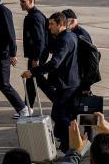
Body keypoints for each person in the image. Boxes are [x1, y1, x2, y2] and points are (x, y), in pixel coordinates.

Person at [22, 12, 80, 152]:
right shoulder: (67, 36)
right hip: (68, 82)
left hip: (67, 84)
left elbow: (55, 63)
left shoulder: (65, 40)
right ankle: (68, 145)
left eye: (52, 24)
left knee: (58, 115)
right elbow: (49, 48)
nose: (49, 27)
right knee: (63, 115)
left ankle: (76, 141)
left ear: (61, 25)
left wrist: (33, 71)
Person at [20, 0, 47, 108]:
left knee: (34, 80)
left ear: (31, 1)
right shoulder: (34, 15)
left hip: (37, 55)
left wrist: (36, 58)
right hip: (36, 54)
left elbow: (40, 39)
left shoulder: (35, 17)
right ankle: (28, 107)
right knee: (33, 80)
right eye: (20, 1)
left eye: (23, 1)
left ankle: (27, 108)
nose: (21, 4)